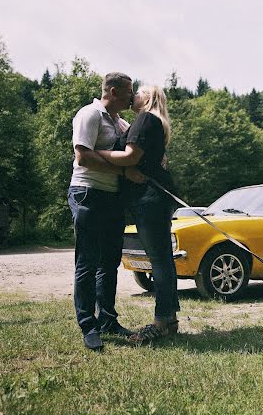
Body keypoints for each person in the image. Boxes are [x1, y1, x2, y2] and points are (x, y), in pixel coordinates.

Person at [97, 85, 180, 342]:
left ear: (149, 98)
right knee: (162, 258)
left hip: (149, 198)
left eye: (139, 91)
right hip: (154, 198)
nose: (133, 96)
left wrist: (96, 153)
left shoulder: (145, 119)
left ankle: (162, 321)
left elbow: (131, 157)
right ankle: (169, 318)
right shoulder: (152, 122)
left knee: (159, 259)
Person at [68, 72, 144, 351]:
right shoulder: (89, 115)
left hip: (112, 198)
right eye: (129, 92)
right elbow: (83, 156)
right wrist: (123, 170)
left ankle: (108, 319)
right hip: (87, 193)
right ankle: (88, 324)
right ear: (113, 91)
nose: (131, 97)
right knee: (87, 261)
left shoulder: (120, 122)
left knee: (109, 261)